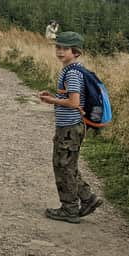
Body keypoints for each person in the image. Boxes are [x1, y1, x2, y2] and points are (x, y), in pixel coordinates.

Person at [37, 32, 104, 223]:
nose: (59, 51)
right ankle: (88, 198)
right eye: (57, 47)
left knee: (62, 166)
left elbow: (74, 102)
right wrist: (54, 97)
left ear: (76, 52)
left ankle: (69, 209)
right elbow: (73, 98)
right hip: (71, 126)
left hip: (69, 127)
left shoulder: (73, 73)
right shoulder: (74, 69)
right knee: (69, 165)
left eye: (64, 49)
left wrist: (51, 100)